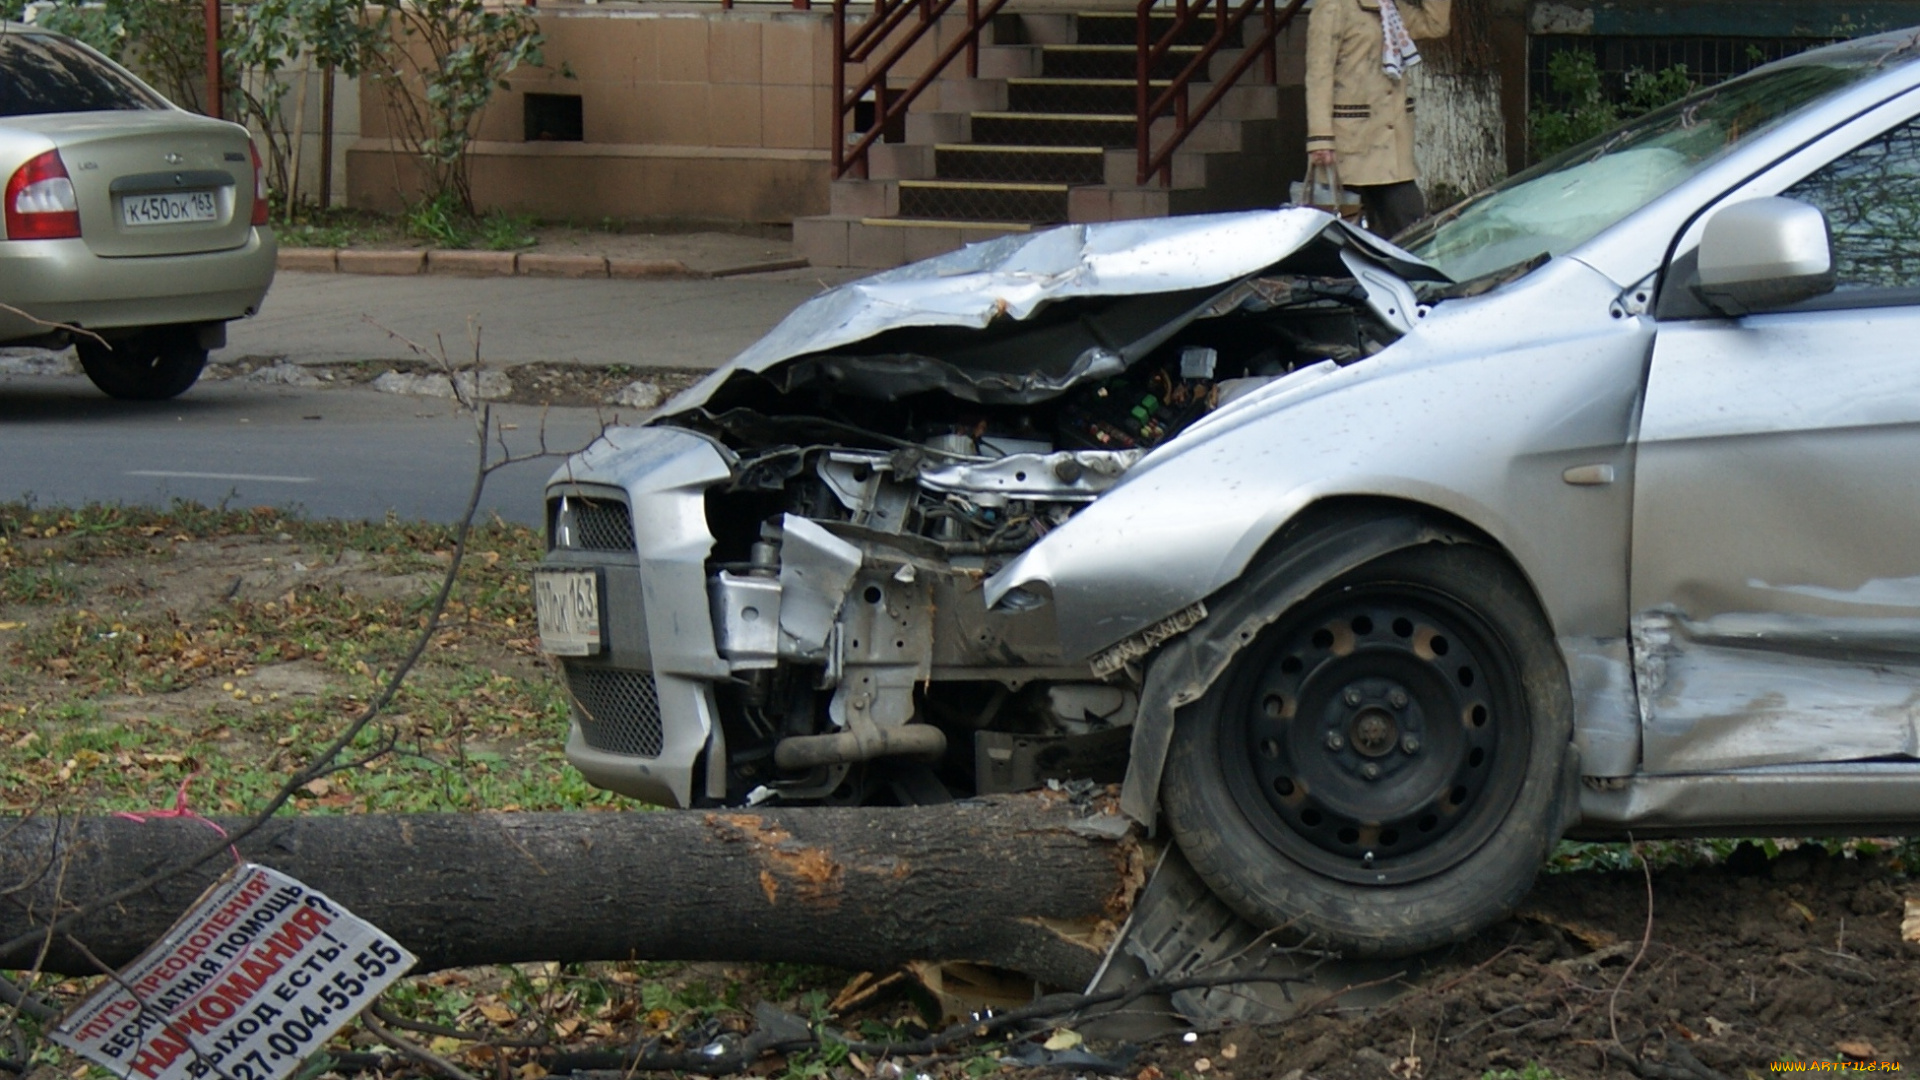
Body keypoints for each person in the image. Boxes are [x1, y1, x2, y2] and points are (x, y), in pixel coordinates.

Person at [1304, 0, 1452, 237]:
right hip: (1350, 144)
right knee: (1343, 234)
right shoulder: (1334, 6)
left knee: (1412, 228)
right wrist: (1320, 139)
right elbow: (1319, 74)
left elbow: (1435, 25)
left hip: (1392, 149)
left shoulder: (1391, 6)